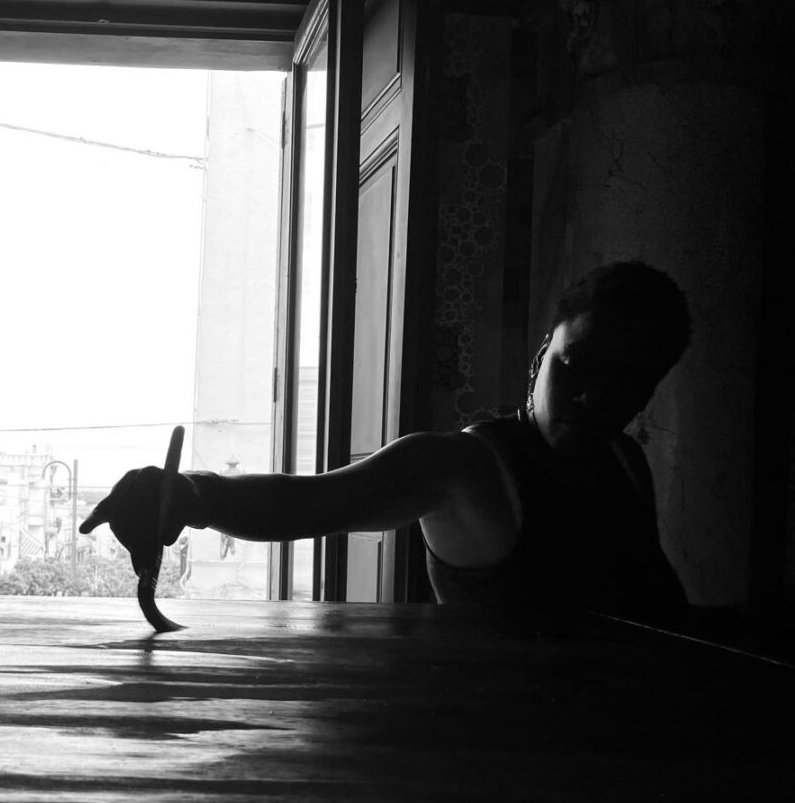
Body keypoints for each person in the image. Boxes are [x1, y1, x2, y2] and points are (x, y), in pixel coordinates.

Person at [80, 260, 691, 628]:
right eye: (575, 365)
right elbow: (308, 502)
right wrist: (189, 494)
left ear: (646, 395)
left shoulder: (626, 463)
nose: (590, 395)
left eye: (625, 382)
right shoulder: (465, 467)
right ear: (540, 359)